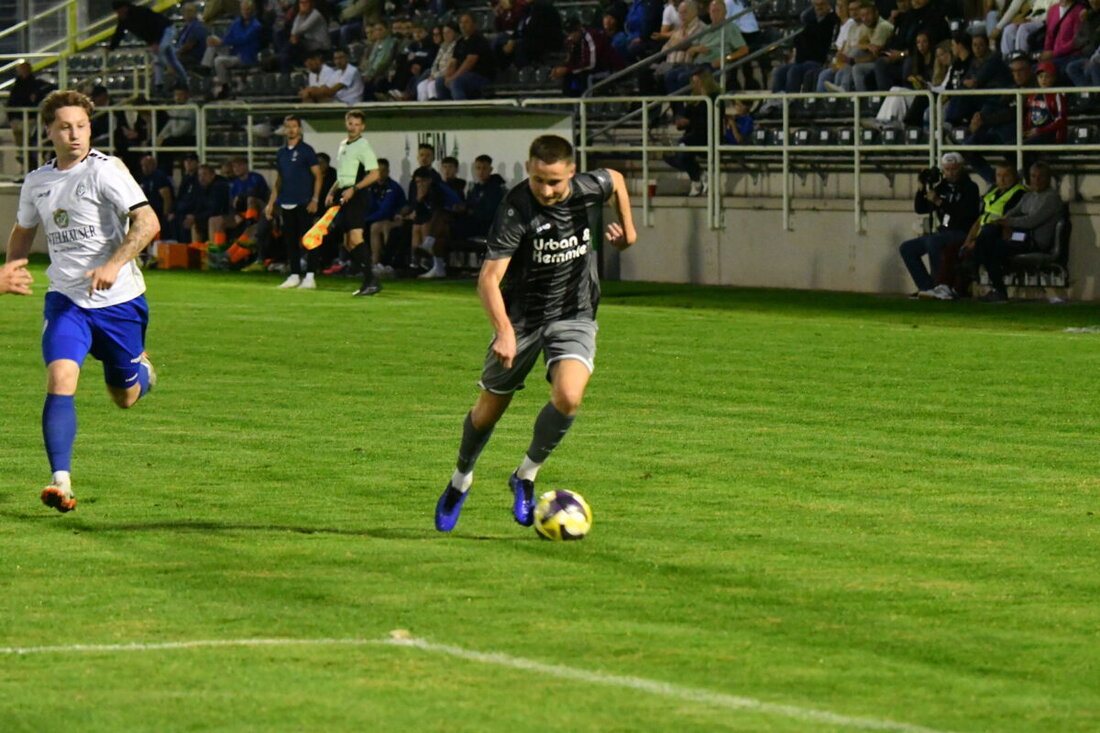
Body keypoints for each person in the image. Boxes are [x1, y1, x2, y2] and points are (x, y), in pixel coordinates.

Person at [434, 134, 637, 532]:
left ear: (571, 174)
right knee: (488, 411)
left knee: (568, 396)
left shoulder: (587, 189)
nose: (547, 189)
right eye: (540, 179)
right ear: (528, 168)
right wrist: (504, 332)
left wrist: (628, 233)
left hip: (574, 313)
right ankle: (461, 479)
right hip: (521, 320)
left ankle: (525, 475)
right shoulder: (515, 209)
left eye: (555, 181)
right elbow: (489, 280)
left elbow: (615, 178)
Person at [6, 89, 160, 513]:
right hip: (66, 301)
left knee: (123, 396)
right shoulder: (38, 181)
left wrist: (114, 263)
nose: (75, 134)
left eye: (82, 126)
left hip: (119, 302)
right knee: (60, 378)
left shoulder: (107, 170)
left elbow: (147, 221)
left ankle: (141, 370)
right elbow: (23, 229)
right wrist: (13, 266)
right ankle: (61, 480)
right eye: (65, 127)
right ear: (49, 131)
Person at [970, 160, 1063, 302]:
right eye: (1033, 176)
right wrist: (1002, 222)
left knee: (990, 247)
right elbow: (1012, 212)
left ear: (1048, 178)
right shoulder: (1029, 196)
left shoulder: (1051, 198)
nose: (1036, 180)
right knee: (990, 232)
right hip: (1021, 237)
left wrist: (1006, 222)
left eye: (1040, 177)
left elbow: (1032, 221)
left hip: (1035, 241)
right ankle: (992, 284)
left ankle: (978, 269)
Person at [898, 152, 981, 299]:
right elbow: (921, 208)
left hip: (962, 232)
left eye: (954, 169)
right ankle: (926, 286)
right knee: (907, 248)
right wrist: (921, 188)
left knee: (933, 241)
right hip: (943, 232)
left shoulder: (970, 188)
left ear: (961, 168)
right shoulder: (942, 187)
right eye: (947, 169)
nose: (950, 173)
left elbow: (964, 213)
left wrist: (939, 202)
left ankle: (940, 286)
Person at [944, 161, 1028, 298]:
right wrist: (968, 241)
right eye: (999, 175)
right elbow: (979, 220)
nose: (1002, 179)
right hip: (984, 234)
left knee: (988, 240)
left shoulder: (1018, 193)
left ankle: (976, 268)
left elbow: (1007, 219)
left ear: (1015, 177)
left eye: (1006, 176)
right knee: (952, 248)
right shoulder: (992, 193)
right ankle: (946, 288)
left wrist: (976, 243)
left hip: (1007, 234)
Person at [326, 110, 382, 296]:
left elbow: (374, 174)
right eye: (351, 123)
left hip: (357, 196)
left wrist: (355, 189)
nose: (354, 127)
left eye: (357, 124)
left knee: (356, 238)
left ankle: (371, 280)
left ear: (363, 127)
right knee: (349, 243)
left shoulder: (363, 145)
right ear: (346, 124)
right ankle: (368, 278)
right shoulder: (343, 145)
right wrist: (331, 191)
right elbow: (342, 175)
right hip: (345, 193)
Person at [266, 115, 323, 290]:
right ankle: (294, 274)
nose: (291, 129)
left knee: (308, 239)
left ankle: (311, 275)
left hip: (303, 201)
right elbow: (279, 179)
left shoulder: (306, 150)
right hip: (286, 201)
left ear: (299, 129)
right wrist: (271, 203)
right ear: (284, 129)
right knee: (290, 240)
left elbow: (318, 176)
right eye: (288, 126)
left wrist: (315, 199)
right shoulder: (281, 152)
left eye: (294, 126)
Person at [109, 0, 188, 93]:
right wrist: (110, 48)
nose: (118, 14)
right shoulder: (124, 19)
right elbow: (119, 33)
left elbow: (155, 25)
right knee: (161, 57)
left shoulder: (140, 12)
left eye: (119, 11)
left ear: (125, 8)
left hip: (166, 30)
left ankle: (175, 76)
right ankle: (160, 84)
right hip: (157, 36)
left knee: (161, 51)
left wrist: (155, 42)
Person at [202, 0, 263, 100]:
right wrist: (218, 41)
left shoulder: (256, 26)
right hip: (233, 51)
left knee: (219, 61)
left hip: (245, 56)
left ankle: (226, 87)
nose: (246, 12)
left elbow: (243, 39)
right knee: (212, 43)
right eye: (243, 10)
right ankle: (205, 69)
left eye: (248, 9)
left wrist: (222, 42)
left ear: (252, 10)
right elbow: (228, 37)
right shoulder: (236, 23)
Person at [435, 13, 496, 100]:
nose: (463, 25)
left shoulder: (478, 40)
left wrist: (453, 77)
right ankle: (445, 111)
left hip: (480, 76)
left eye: (466, 22)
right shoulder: (460, 42)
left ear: (474, 24)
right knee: (440, 81)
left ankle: (461, 110)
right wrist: (448, 76)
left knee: (456, 82)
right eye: (461, 23)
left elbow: (469, 62)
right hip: (463, 76)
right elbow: (453, 62)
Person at [364, 158, 408, 275]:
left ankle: (387, 263)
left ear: (388, 171)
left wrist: (366, 219)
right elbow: (368, 206)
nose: (380, 173)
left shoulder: (393, 187)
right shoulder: (370, 187)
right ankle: (376, 263)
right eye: (378, 171)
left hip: (395, 218)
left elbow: (386, 210)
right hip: (377, 219)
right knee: (374, 227)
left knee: (383, 227)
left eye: (383, 170)